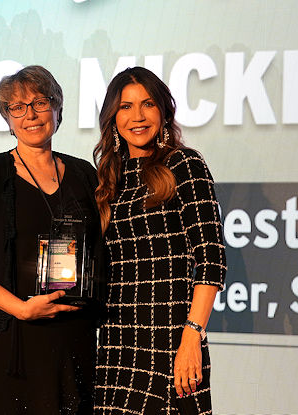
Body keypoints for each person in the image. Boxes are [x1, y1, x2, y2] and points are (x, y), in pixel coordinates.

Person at [0, 65, 100, 414]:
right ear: (7, 118)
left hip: (71, 341)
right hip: (7, 342)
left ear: (57, 110)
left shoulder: (84, 175)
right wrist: (20, 308)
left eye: (40, 103)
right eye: (17, 107)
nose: (30, 114)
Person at [93, 66, 226, 414]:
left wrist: (192, 335)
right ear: (112, 117)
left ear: (163, 112)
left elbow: (211, 261)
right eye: (125, 106)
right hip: (115, 344)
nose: (137, 116)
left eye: (147, 104)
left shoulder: (184, 164)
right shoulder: (109, 179)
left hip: (171, 342)